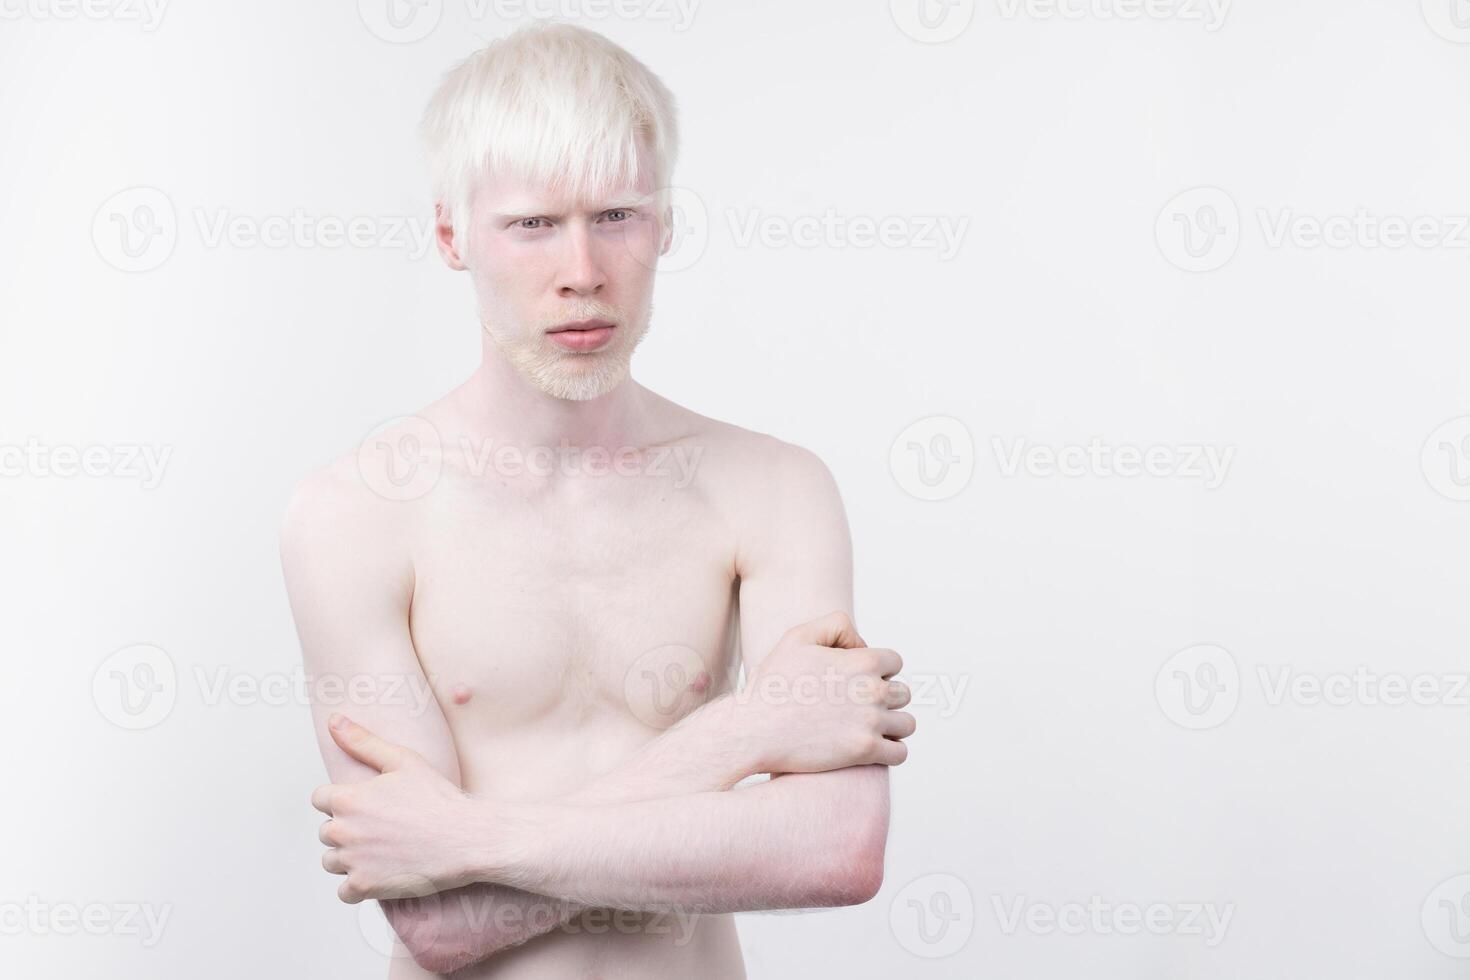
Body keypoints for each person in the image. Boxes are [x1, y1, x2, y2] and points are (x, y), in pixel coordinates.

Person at [279, 22, 915, 978]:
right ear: (453, 235)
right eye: (532, 223)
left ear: (665, 224)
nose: (582, 271)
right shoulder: (353, 516)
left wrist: (471, 840)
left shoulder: (774, 489)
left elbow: (835, 851)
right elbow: (438, 926)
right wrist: (746, 730)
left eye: (617, 215)